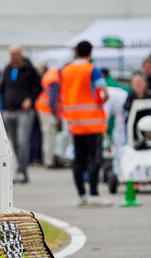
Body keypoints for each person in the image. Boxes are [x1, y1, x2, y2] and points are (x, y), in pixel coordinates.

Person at [60, 40, 110, 207]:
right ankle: (94, 194)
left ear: (76, 52)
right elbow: (104, 92)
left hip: (74, 121)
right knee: (95, 159)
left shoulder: (66, 71)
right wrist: (100, 102)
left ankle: (81, 194)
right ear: (90, 53)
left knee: (79, 159)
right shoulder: (91, 69)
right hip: (93, 122)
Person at [1, 45, 42, 184]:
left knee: (22, 141)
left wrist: (30, 99)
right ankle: (20, 166)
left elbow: (39, 87)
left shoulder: (29, 69)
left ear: (21, 55)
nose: (14, 57)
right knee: (14, 143)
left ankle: (22, 170)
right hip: (9, 111)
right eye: (11, 54)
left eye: (16, 54)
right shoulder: (7, 69)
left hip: (24, 112)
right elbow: (3, 87)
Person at [35, 64, 61, 168]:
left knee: (47, 135)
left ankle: (47, 159)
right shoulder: (55, 79)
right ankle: (49, 161)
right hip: (47, 109)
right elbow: (52, 100)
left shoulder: (53, 75)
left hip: (42, 107)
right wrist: (56, 115)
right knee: (49, 135)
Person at [123, 73, 151, 140]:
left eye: (140, 82)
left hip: (148, 124)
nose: (138, 85)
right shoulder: (131, 96)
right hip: (134, 123)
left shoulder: (150, 96)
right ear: (132, 85)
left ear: (145, 84)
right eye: (135, 83)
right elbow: (126, 106)